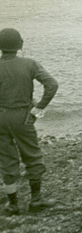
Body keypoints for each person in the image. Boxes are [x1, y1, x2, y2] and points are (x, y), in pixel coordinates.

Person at [0, 28, 58, 215]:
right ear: (20, 45)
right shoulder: (29, 64)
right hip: (23, 117)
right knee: (32, 156)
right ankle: (36, 200)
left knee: (6, 159)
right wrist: (38, 108)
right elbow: (52, 85)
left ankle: (13, 205)